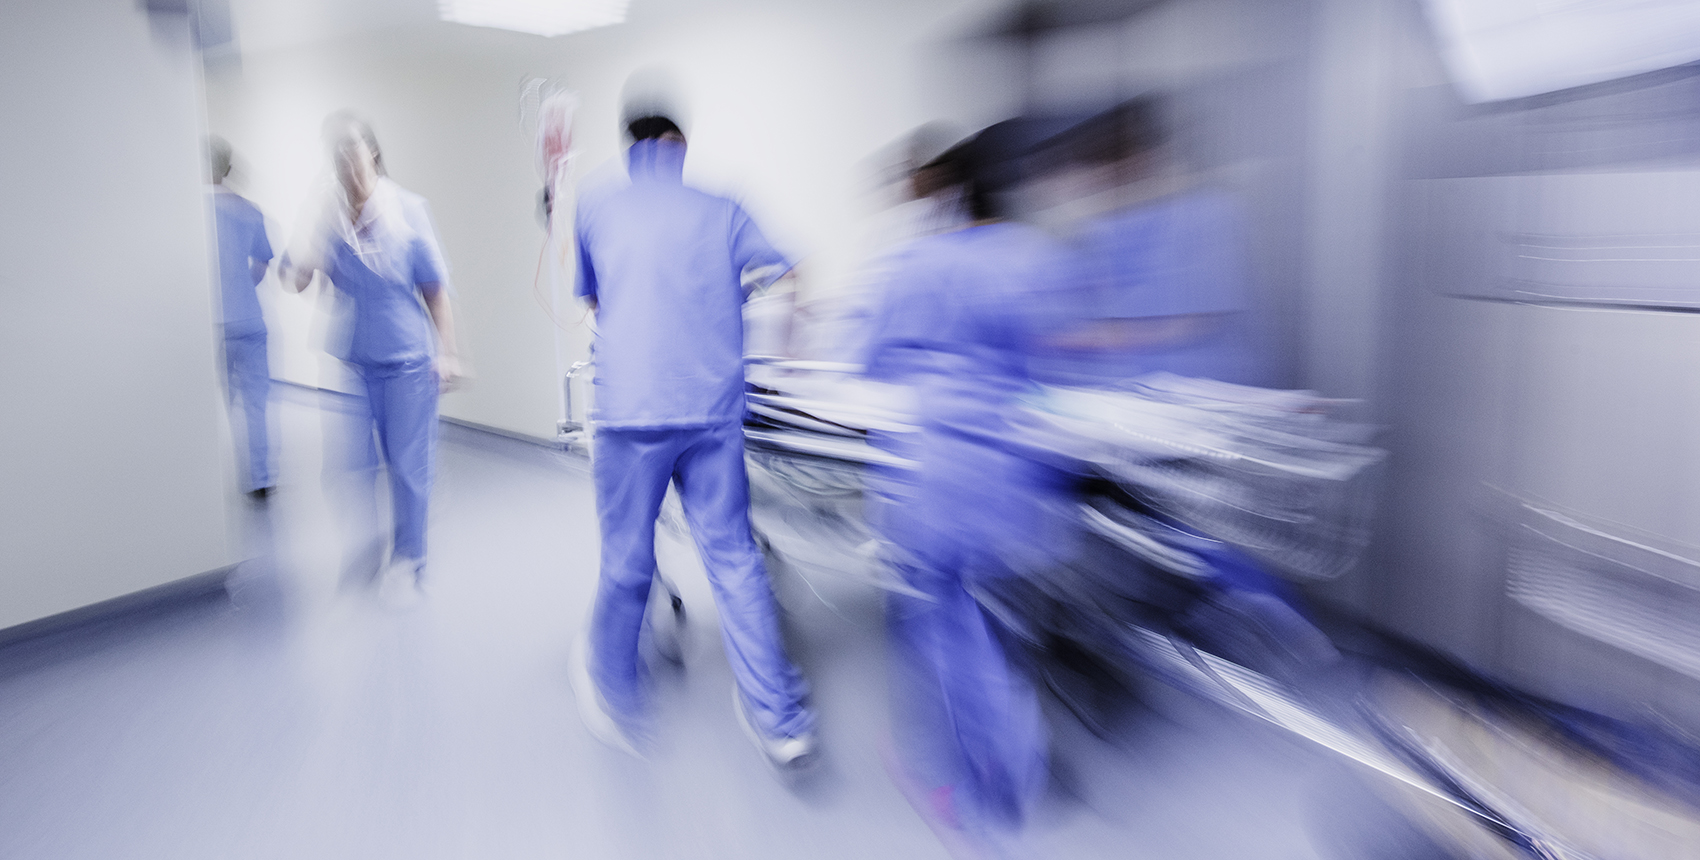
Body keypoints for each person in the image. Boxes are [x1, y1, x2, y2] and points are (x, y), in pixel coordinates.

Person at [568, 113, 817, 771]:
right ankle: (780, 721)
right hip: (711, 413)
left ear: (633, 147)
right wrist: (783, 357)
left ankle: (616, 693)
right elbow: (794, 273)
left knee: (627, 560)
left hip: (632, 413)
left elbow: (594, 301)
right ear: (680, 147)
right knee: (734, 560)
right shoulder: (723, 206)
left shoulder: (597, 201)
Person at [860, 121, 1077, 849]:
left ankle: (978, 800)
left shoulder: (918, 262)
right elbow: (1045, 366)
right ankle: (1015, 766)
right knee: (987, 628)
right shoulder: (1033, 256)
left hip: (939, 483)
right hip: (1013, 481)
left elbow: (872, 362)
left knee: (946, 632)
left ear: (950, 188)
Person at [282, 117, 461, 604]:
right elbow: (296, 281)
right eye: (336, 154)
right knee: (350, 467)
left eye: (353, 152)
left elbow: (435, 289)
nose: (346, 163)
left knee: (407, 467)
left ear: (373, 155)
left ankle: (410, 558)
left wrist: (447, 352)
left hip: (407, 360)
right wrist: (311, 234)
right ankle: (373, 543)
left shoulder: (407, 210)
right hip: (354, 359)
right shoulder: (329, 220)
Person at [207, 136, 277, 501]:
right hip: (249, 320)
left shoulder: (186, 211)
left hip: (208, 326)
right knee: (256, 405)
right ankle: (261, 479)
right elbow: (263, 262)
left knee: (214, 405)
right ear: (228, 168)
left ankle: (212, 484)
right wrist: (240, 286)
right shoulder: (249, 210)